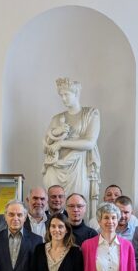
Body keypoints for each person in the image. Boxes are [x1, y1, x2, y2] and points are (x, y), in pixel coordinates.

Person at [42, 78, 101, 216]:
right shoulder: (57, 119)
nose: (63, 99)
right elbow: (46, 146)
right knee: (54, 206)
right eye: (61, 95)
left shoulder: (91, 114)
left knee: (78, 205)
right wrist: (56, 133)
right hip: (55, 166)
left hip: (79, 164)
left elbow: (90, 143)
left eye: (66, 94)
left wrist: (61, 143)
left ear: (76, 94)